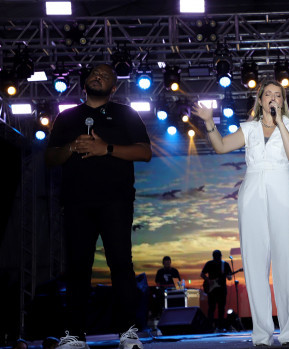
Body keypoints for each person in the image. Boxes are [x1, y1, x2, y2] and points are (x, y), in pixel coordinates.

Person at [45, 64, 152, 348]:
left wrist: (107, 148)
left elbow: (145, 152)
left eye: (106, 75)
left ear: (113, 88)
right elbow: (50, 157)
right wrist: (71, 148)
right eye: (94, 73)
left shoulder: (126, 114)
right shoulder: (67, 117)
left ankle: (128, 332)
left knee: (121, 265)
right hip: (77, 201)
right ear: (84, 82)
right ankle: (75, 335)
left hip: (115, 200)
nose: (98, 76)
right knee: (78, 267)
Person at [192, 80, 289, 346]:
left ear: (283, 101)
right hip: (252, 190)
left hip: (281, 188)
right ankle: (262, 334)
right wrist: (209, 122)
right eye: (268, 94)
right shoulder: (249, 129)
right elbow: (220, 146)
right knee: (254, 264)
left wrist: (280, 124)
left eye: (278, 95)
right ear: (260, 100)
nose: (273, 98)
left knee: (286, 261)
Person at [200, 250, 233, 329]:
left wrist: (229, 276)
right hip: (213, 290)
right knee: (217, 308)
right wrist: (209, 280)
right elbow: (202, 274)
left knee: (214, 308)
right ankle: (217, 327)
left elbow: (229, 277)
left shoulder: (224, 264)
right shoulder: (214, 264)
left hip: (220, 289)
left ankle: (211, 327)